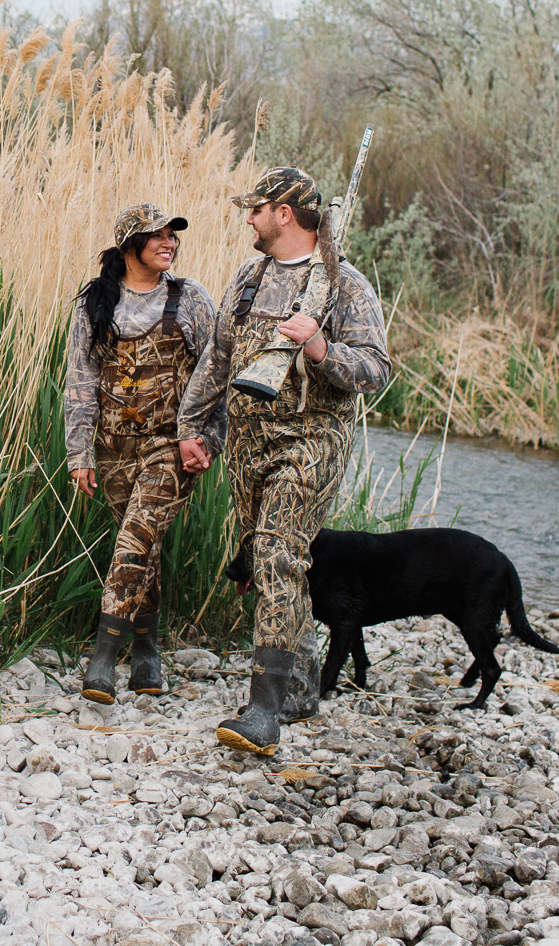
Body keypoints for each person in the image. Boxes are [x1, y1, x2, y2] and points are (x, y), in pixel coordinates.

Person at [177, 166, 392, 756]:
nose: (248, 217)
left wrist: (321, 348)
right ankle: (296, 687)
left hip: (311, 439)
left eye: (256, 208)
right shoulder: (249, 278)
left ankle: (263, 710)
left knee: (276, 550)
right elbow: (217, 362)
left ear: (285, 212)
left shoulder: (345, 284)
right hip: (247, 445)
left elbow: (377, 369)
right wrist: (195, 430)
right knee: (273, 563)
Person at [64, 202, 222, 704]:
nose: (168, 242)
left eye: (172, 235)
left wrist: (209, 441)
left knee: (135, 539)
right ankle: (148, 648)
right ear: (129, 244)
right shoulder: (96, 301)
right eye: (156, 236)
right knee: (144, 547)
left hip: (169, 447)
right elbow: (80, 381)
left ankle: (104, 659)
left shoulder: (190, 298)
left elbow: (217, 374)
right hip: (112, 449)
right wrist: (79, 453)